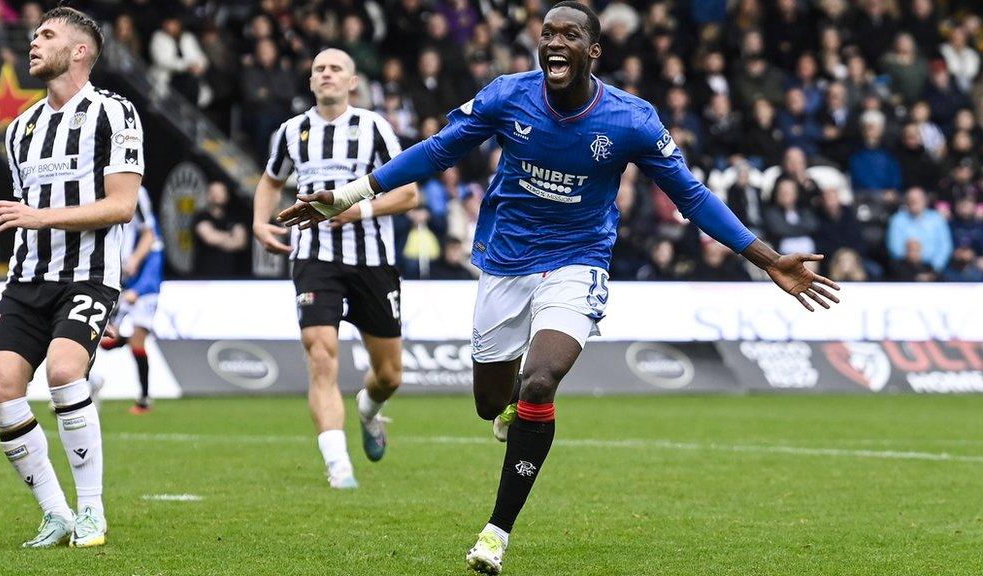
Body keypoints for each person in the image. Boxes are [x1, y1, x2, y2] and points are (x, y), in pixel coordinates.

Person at [276, 3, 840, 573]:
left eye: (570, 34)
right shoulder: (507, 96)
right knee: (491, 404)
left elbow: (691, 197)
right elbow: (438, 150)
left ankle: (496, 532)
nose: (554, 42)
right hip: (506, 260)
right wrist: (349, 195)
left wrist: (766, 258)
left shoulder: (631, 120)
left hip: (578, 260)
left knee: (540, 379)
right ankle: (511, 413)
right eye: (547, 33)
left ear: (593, 52)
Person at [0, 7, 143, 548]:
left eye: (46, 35)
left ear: (79, 51)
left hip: (88, 277)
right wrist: (33, 220)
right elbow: (31, 212)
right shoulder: (21, 129)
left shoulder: (115, 114)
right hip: (27, 278)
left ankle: (91, 510)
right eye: (33, 34)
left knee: (64, 369)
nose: (33, 42)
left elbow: (121, 206)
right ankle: (56, 514)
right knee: (1, 386)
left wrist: (39, 216)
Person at [252, 48, 419, 489]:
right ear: (311, 82)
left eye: (335, 69)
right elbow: (270, 180)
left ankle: (369, 409)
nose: (326, 74)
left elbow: (409, 195)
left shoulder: (374, 127)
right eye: (318, 69)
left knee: (389, 375)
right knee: (320, 354)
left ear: (352, 82)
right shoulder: (292, 131)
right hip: (314, 255)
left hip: (372, 261)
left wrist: (356, 212)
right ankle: (338, 464)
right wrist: (258, 222)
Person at [98, 187, 163, 414]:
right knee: (104, 341)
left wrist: (141, 287)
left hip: (143, 290)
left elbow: (155, 258)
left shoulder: (149, 230)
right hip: (118, 282)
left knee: (137, 341)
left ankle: (144, 398)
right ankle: (89, 385)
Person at [191, 181, 248, 277]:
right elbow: (210, 238)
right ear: (208, 195)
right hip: (204, 278)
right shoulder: (201, 217)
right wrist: (230, 235)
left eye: (220, 192)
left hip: (231, 276)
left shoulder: (234, 218)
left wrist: (218, 236)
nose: (216, 195)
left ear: (227, 195)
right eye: (213, 192)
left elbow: (240, 242)